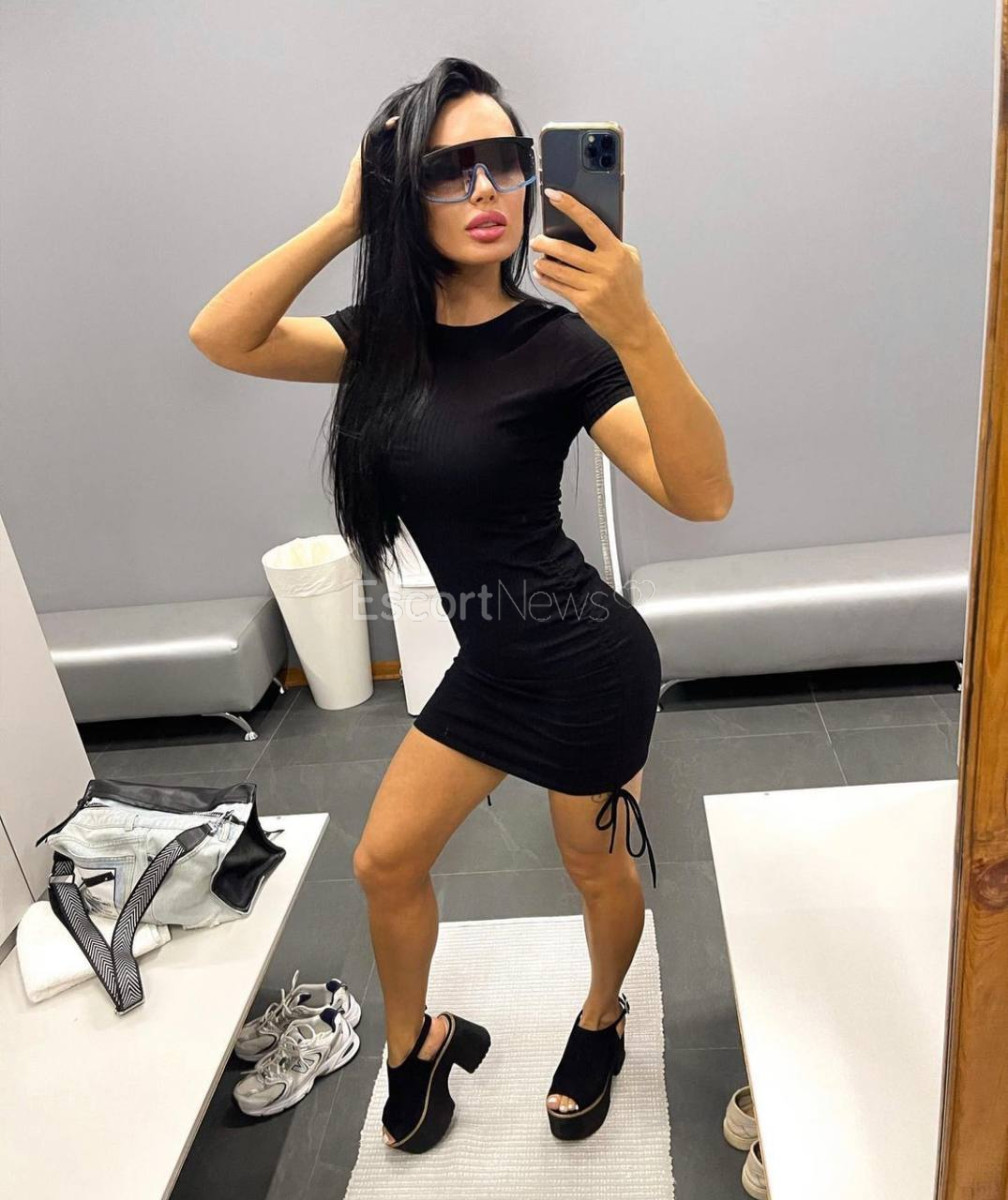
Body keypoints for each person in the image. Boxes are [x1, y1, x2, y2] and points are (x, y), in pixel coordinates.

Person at [189, 56, 731, 1154]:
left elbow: (703, 494)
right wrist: (346, 217)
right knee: (384, 861)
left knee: (593, 865)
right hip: (490, 668)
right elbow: (223, 335)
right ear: (405, 191)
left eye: (504, 162)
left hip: (585, 664)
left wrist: (636, 325)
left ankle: (602, 1015)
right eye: (448, 169)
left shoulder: (562, 345)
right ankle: (415, 1044)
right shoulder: (377, 347)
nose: (487, 189)